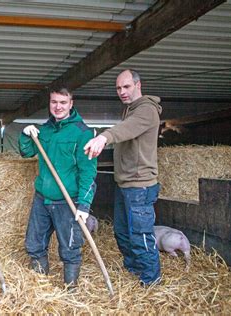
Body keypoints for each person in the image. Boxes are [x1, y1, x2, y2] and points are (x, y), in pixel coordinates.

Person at [83, 69, 162, 286]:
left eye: (126, 86)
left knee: (140, 235)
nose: (122, 92)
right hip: (125, 183)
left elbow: (126, 129)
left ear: (138, 85)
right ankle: (134, 270)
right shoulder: (129, 110)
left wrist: (104, 137)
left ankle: (151, 279)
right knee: (122, 231)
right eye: (118, 88)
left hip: (140, 186)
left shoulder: (146, 110)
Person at [19, 86, 97, 290]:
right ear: (49, 104)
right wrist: (26, 134)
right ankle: (40, 288)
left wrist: (84, 205)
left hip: (67, 201)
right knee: (34, 245)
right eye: (54, 102)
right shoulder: (44, 131)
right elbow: (26, 152)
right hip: (42, 198)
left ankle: (70, 290)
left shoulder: (82, 133)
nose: (58, 106)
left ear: (71, 104)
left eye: (63, 102)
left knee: (70, 248)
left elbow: (88, 171)